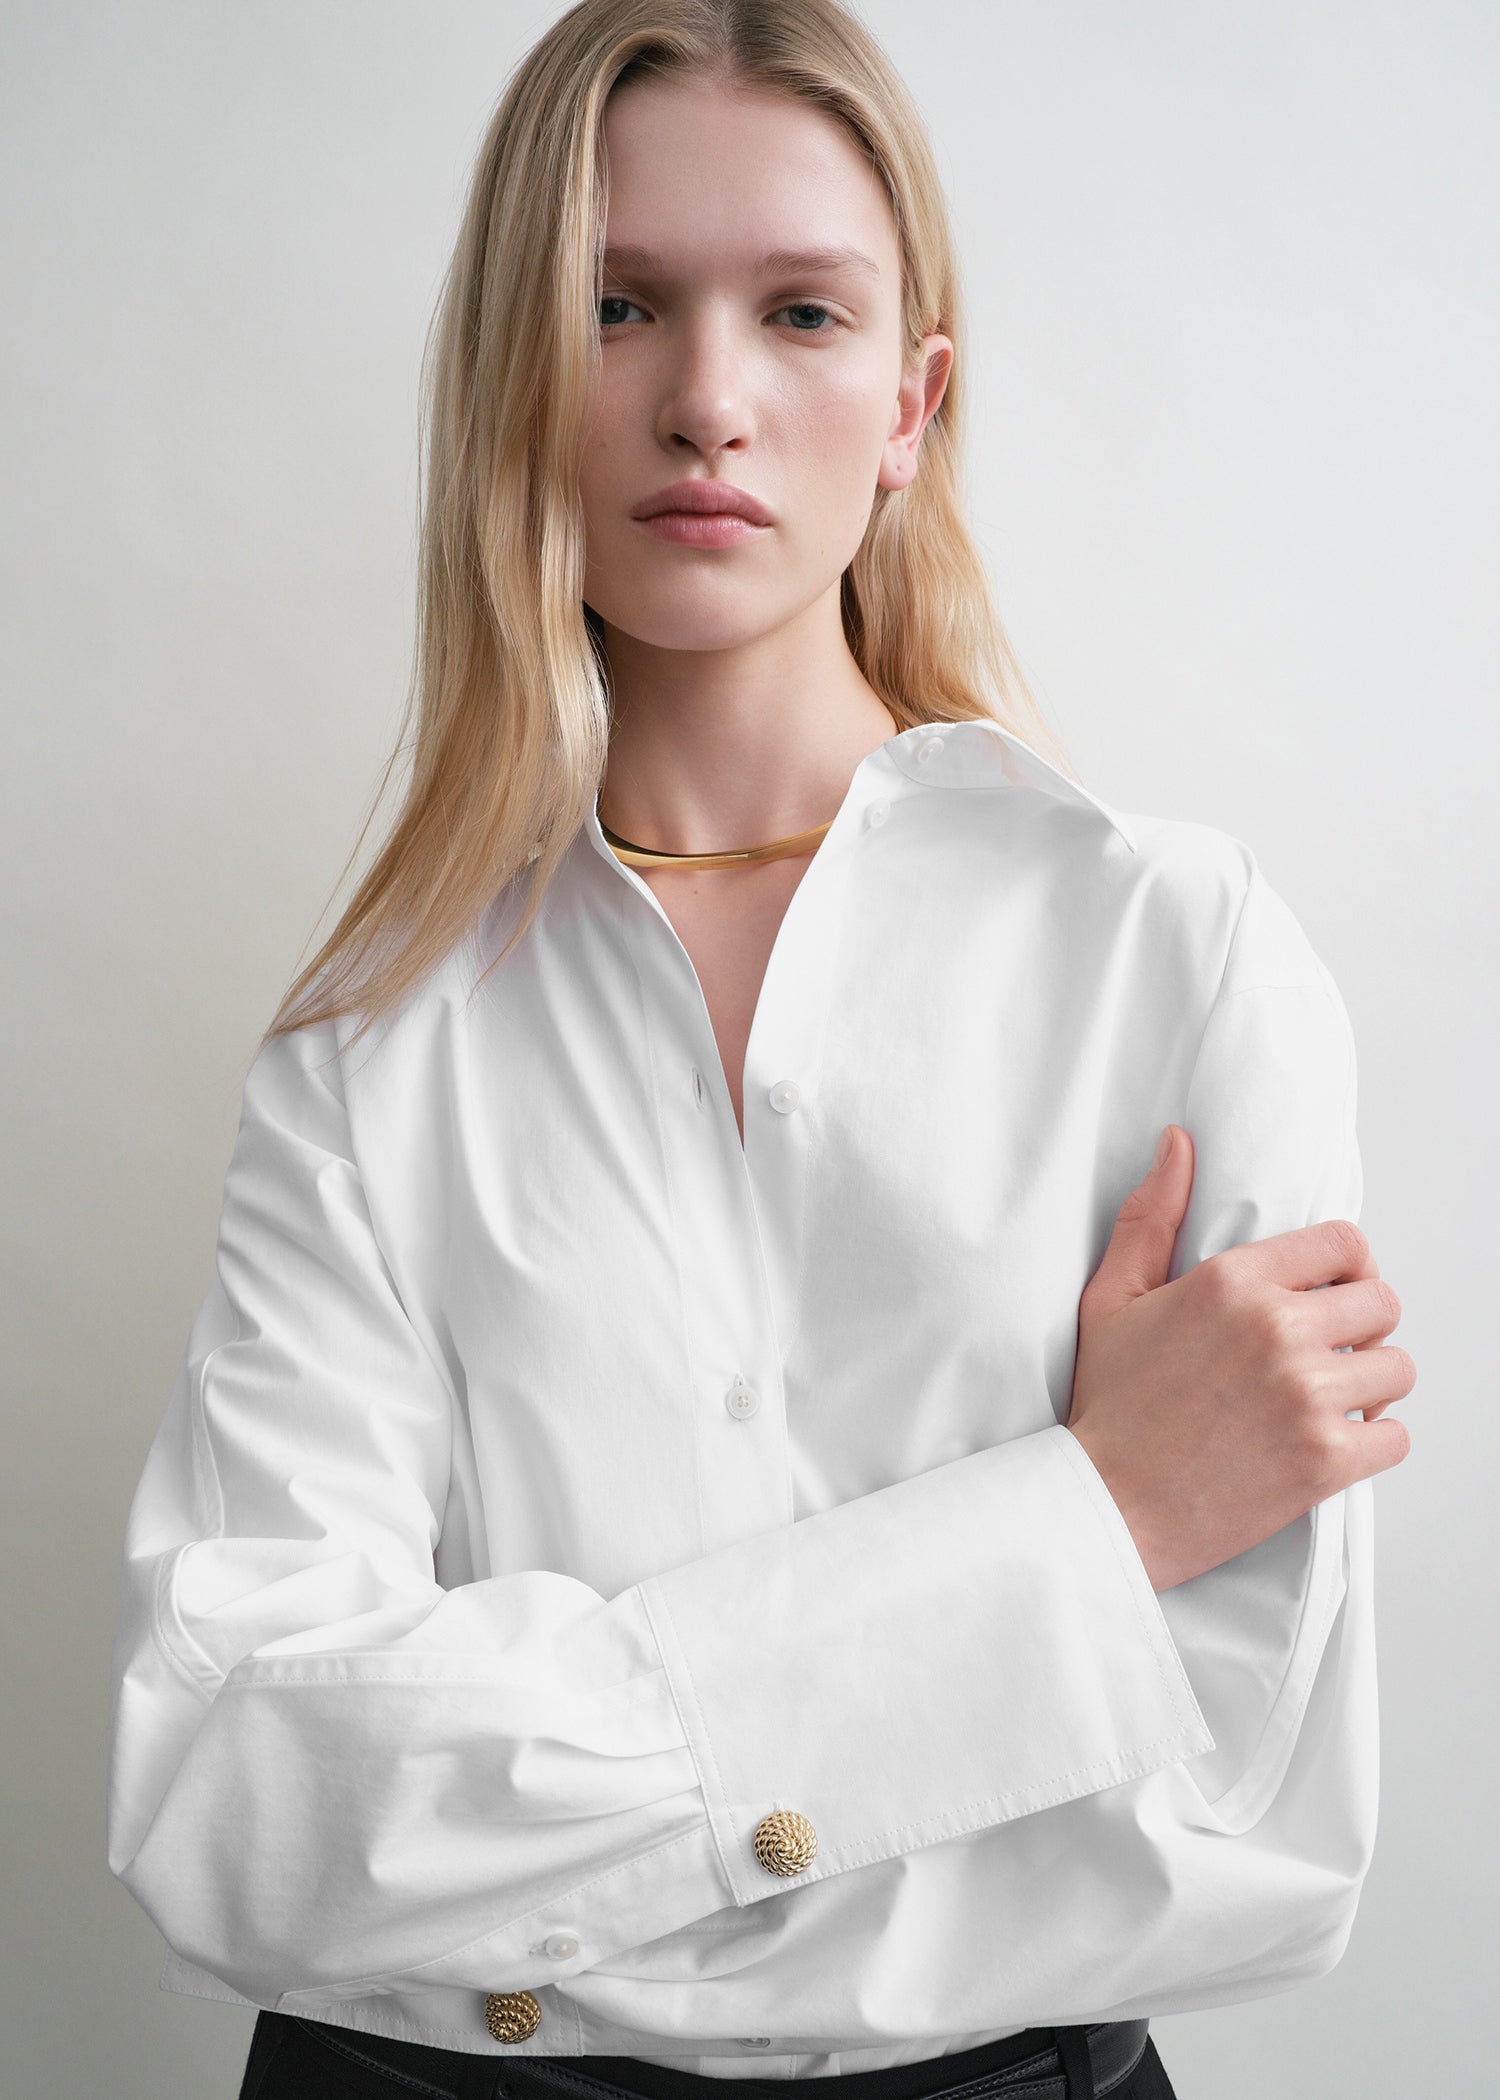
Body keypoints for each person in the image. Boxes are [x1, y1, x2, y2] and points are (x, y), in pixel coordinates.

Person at [105, 3, 1415, 2097]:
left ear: (912, 403)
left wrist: (519, 1860)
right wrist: (1080, 1524)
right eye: (615, 305)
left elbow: (1246, 1828)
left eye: (801, 312)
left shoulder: (1175, 954)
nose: (706, 400)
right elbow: (238, 1806)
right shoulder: (367, 1054)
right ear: (515, 379)